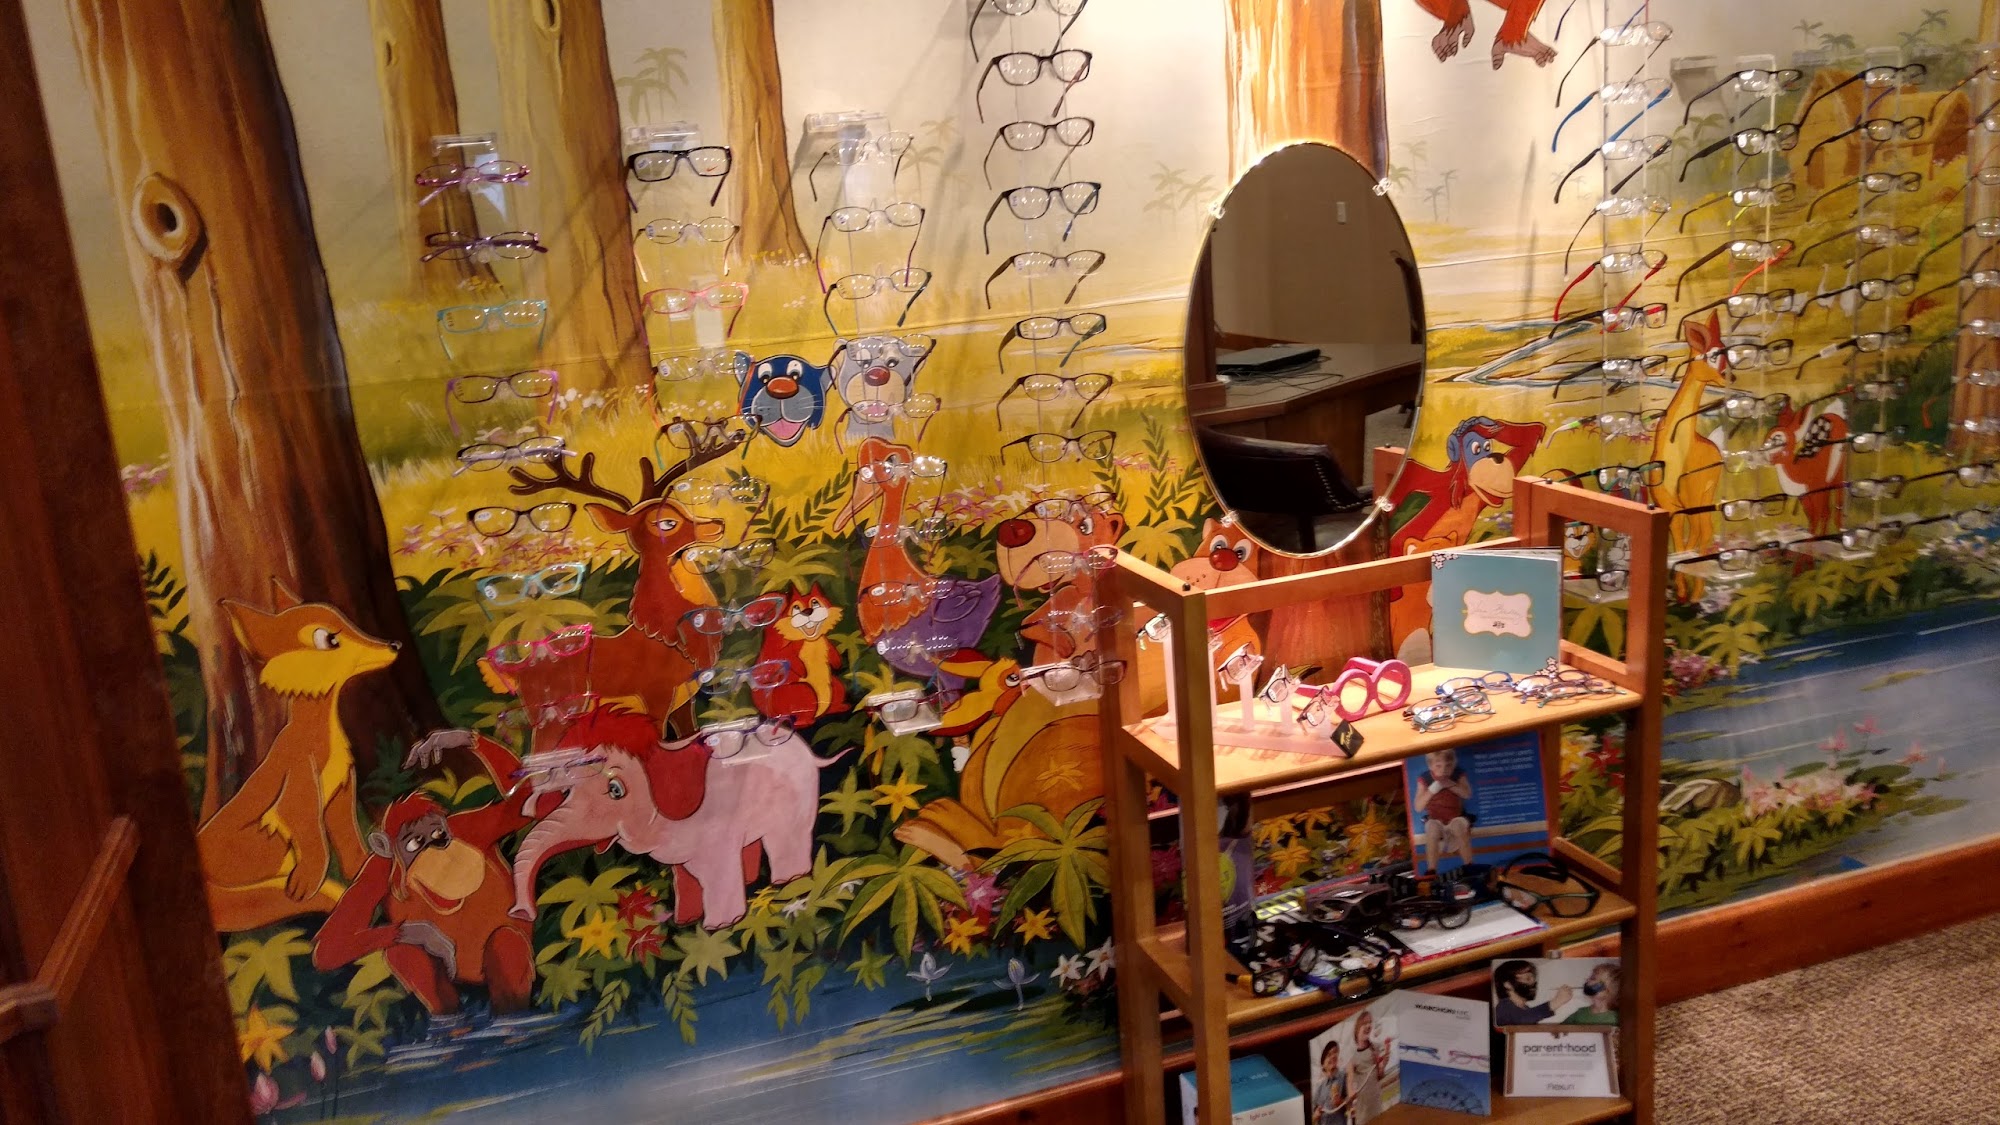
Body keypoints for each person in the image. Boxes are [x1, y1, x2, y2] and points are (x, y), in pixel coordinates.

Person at [1417, 748, 1475, 874]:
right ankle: (1431, 869)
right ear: (1431, 766)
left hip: (1456, 817)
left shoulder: (1458, 774)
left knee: (1458, 827)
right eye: (1438, 766)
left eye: (1448, 766)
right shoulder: (1425, 778)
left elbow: (1467, 794)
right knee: (1432, 829)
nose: (1443, 770)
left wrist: (1450, 784)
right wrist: (1433, 789)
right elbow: (1418, 807)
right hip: (1435, 819)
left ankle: (1469, 865)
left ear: (1453, 765)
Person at [1344, 1010, 1393, 1122]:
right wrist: (1350, 1090)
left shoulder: (1375, 1048)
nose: (1368, 1025)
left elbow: (1380, 1074)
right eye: (1365, 1023)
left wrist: (1385, 1057)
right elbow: (1350, 1078)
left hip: (1376, 1103)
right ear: (1357, 1029)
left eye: (1370, 1022)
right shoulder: (1352, 1057)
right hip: (1363, 1109)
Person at [1493, 959, 1574, 1026]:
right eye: (1528, 978)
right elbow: (1524, 1019)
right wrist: (1557, 1001)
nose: (1533, 982)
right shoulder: (1503, 1008)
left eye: (1533, 978)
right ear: (1508, 984)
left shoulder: (1525, 1009)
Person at [1311, 1039, 1351, 1125]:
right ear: (1323, 1064)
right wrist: (1316, 1115)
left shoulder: (1344, 1076)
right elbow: (1313, 1114)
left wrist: (1340, 1102)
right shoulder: (1319, 1087)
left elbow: (1353, 1105)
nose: (1333, 1056)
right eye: (1329, 1055)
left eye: (1335, 1052)